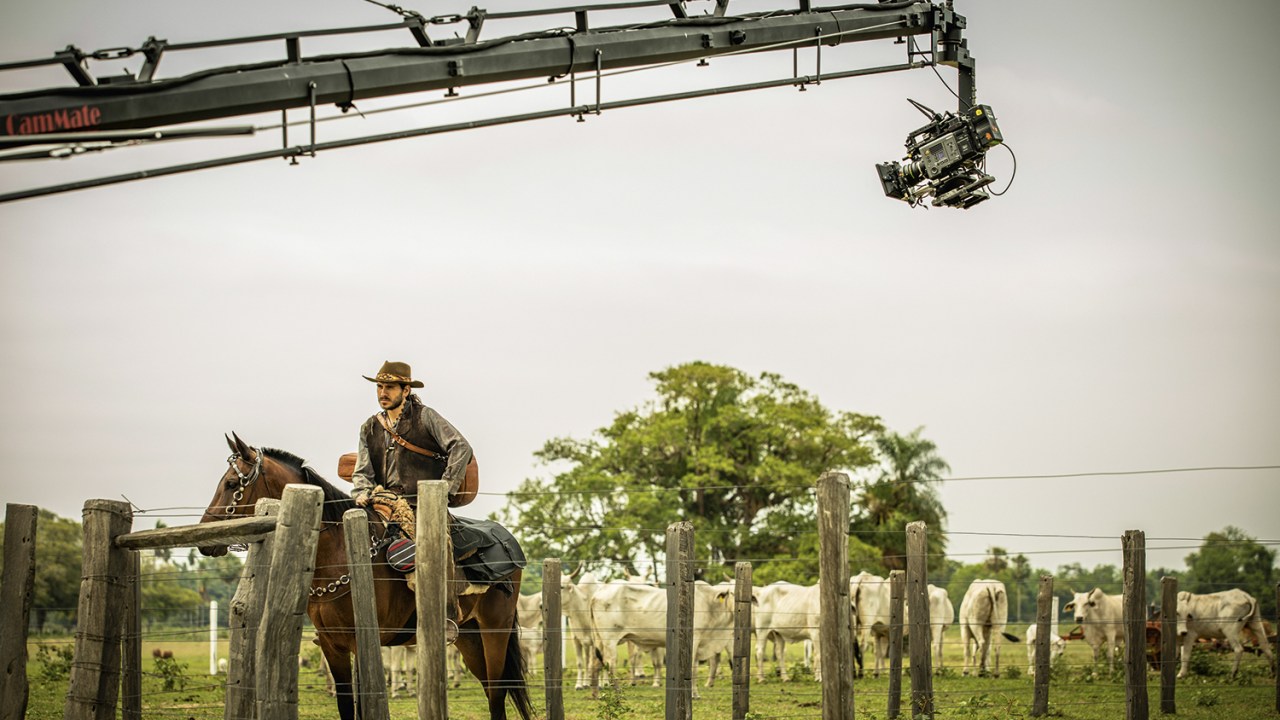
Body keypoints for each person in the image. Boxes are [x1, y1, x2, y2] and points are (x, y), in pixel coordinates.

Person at [350, 360, 473, 510]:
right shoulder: (369, 427)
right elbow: (362, 472)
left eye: (390, 387)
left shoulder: (425, 416)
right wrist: (362, 492)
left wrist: (442, 490)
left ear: (406, 391)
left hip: (424, 506)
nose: (383, 393)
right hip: (382, 504)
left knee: (429, 533)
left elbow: (461, 447)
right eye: (379, 387)